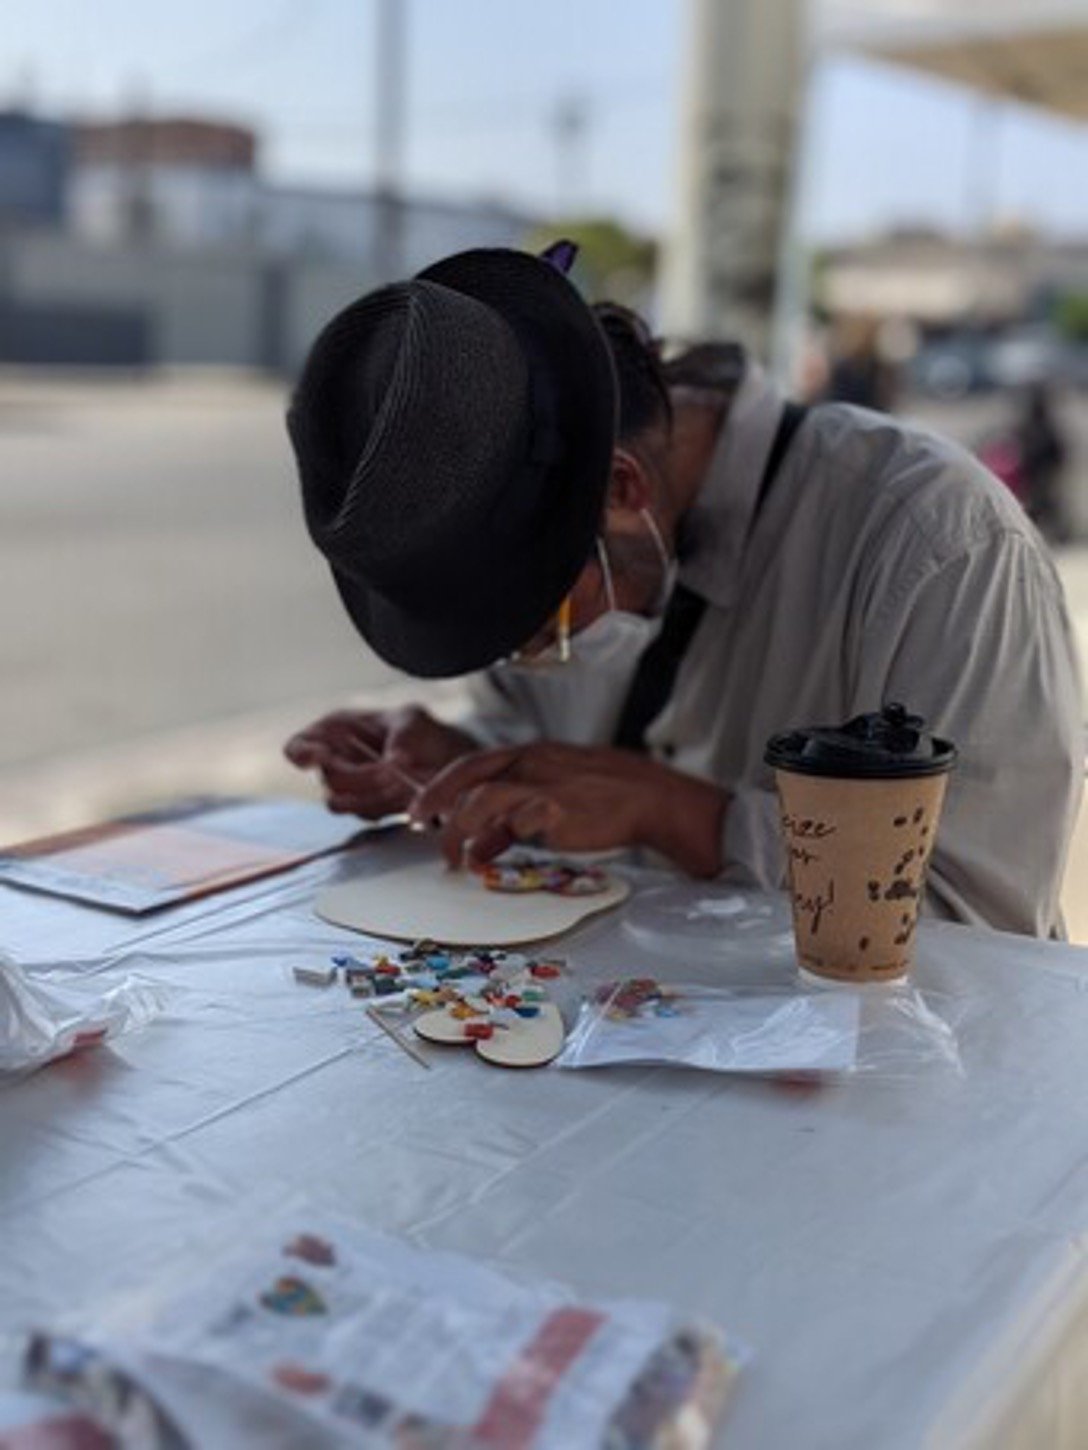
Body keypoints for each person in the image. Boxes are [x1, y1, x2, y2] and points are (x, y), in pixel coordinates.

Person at [285, 244, 1083, 938]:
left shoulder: (935, 542)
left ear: (622, 491)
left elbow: (984, 925)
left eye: (545, 628)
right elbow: (542, 745)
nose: (537, 661)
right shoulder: (543, 555)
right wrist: (471, 765)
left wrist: (682, 816)